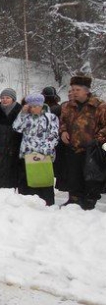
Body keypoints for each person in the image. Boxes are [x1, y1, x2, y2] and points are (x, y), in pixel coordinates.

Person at [59, 75, 106, 210]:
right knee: (73, 176)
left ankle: (89, 201)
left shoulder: (99, 106)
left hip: (92, 151)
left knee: (91, 178)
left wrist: (97, 139)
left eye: (77, 90)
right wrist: (63, 132)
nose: (73, 92)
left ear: (86, 91)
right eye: (72, 89)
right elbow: (62, 122)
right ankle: (73, 200)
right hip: (73, 148)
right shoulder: (68, 106)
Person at [13, 93, 60, 206]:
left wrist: (43, 150)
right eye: (31, 106)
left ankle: (47, 205)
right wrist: (22, 113)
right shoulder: (26, 117)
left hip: (43, 156)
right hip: (27, 156)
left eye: (35, 106)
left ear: (41, 105)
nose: (33, 108)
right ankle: (27, 205)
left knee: (43, 183)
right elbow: (16, 127)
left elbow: (54, 135)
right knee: (27, 183)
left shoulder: (51, 117)